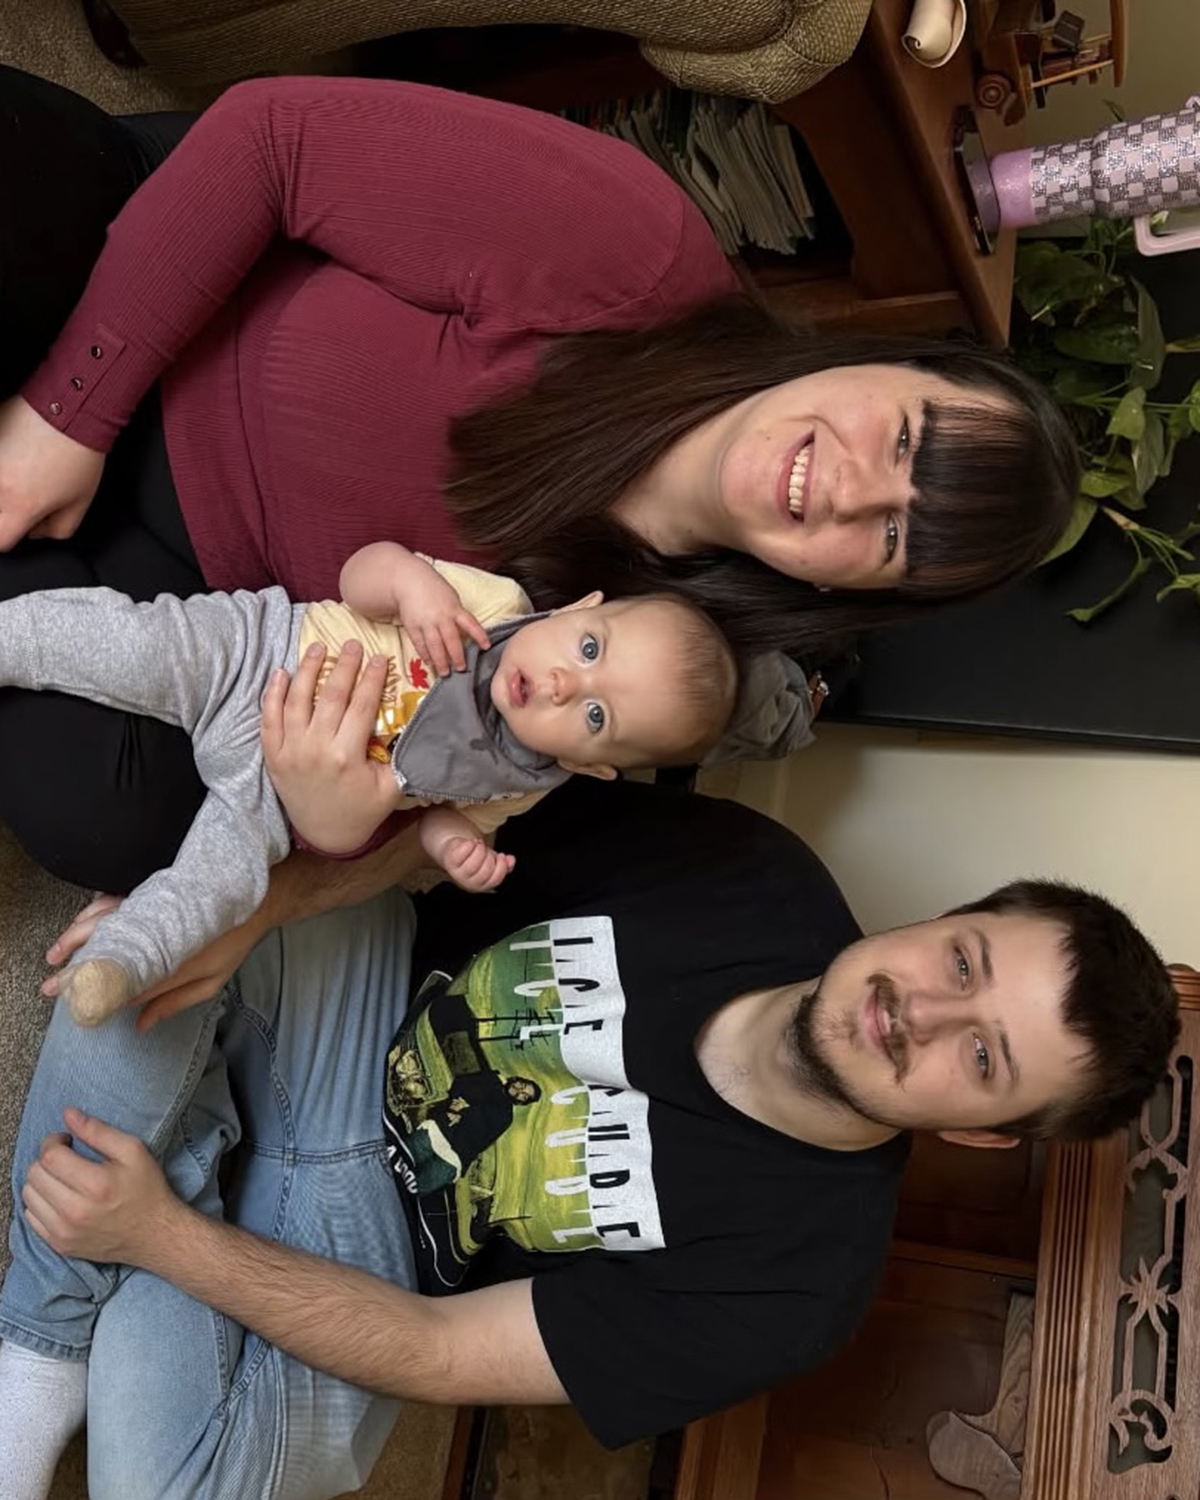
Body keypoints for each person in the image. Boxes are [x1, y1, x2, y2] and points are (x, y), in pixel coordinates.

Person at [0, 65, 1081, 899]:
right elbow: (269, 139)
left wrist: (331, 821)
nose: (850, 490)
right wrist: (68, 411)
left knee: (112, 820)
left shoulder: (656, 654)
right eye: (903, 439)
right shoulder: (640, 254)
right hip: (149, 288)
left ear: (856, 590)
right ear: (887, 362)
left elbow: (446, 769)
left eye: (890, 537)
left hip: (198, 591)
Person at [0, 775, 1179, 1500]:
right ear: (945, 917)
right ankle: (40, 1352)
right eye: (962, 961)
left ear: (979, 1136)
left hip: (380, 1261)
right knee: (148, 941)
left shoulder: (801, 1290)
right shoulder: (750, 870)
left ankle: (177, 1164)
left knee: (164, 1482)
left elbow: (437, 1356)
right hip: (357, 1009)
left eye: (984, 1059)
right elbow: (447, 839)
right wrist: (243, 907)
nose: (920, 1011)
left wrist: (164, 1239)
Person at [0, 539, 736, 1023]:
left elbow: (434, 821)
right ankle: (14, 640)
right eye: (588, 649)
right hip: (259, 656)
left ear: (591, 766)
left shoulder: (523, 781)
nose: (562, 683)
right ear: (578, 610)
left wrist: (454, 851)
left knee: (225, 881)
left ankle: (123, 961)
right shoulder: (494, 609)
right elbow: (360, 574)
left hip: (270, 797)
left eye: (596, 715)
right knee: (132, 644)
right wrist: (411, 586)